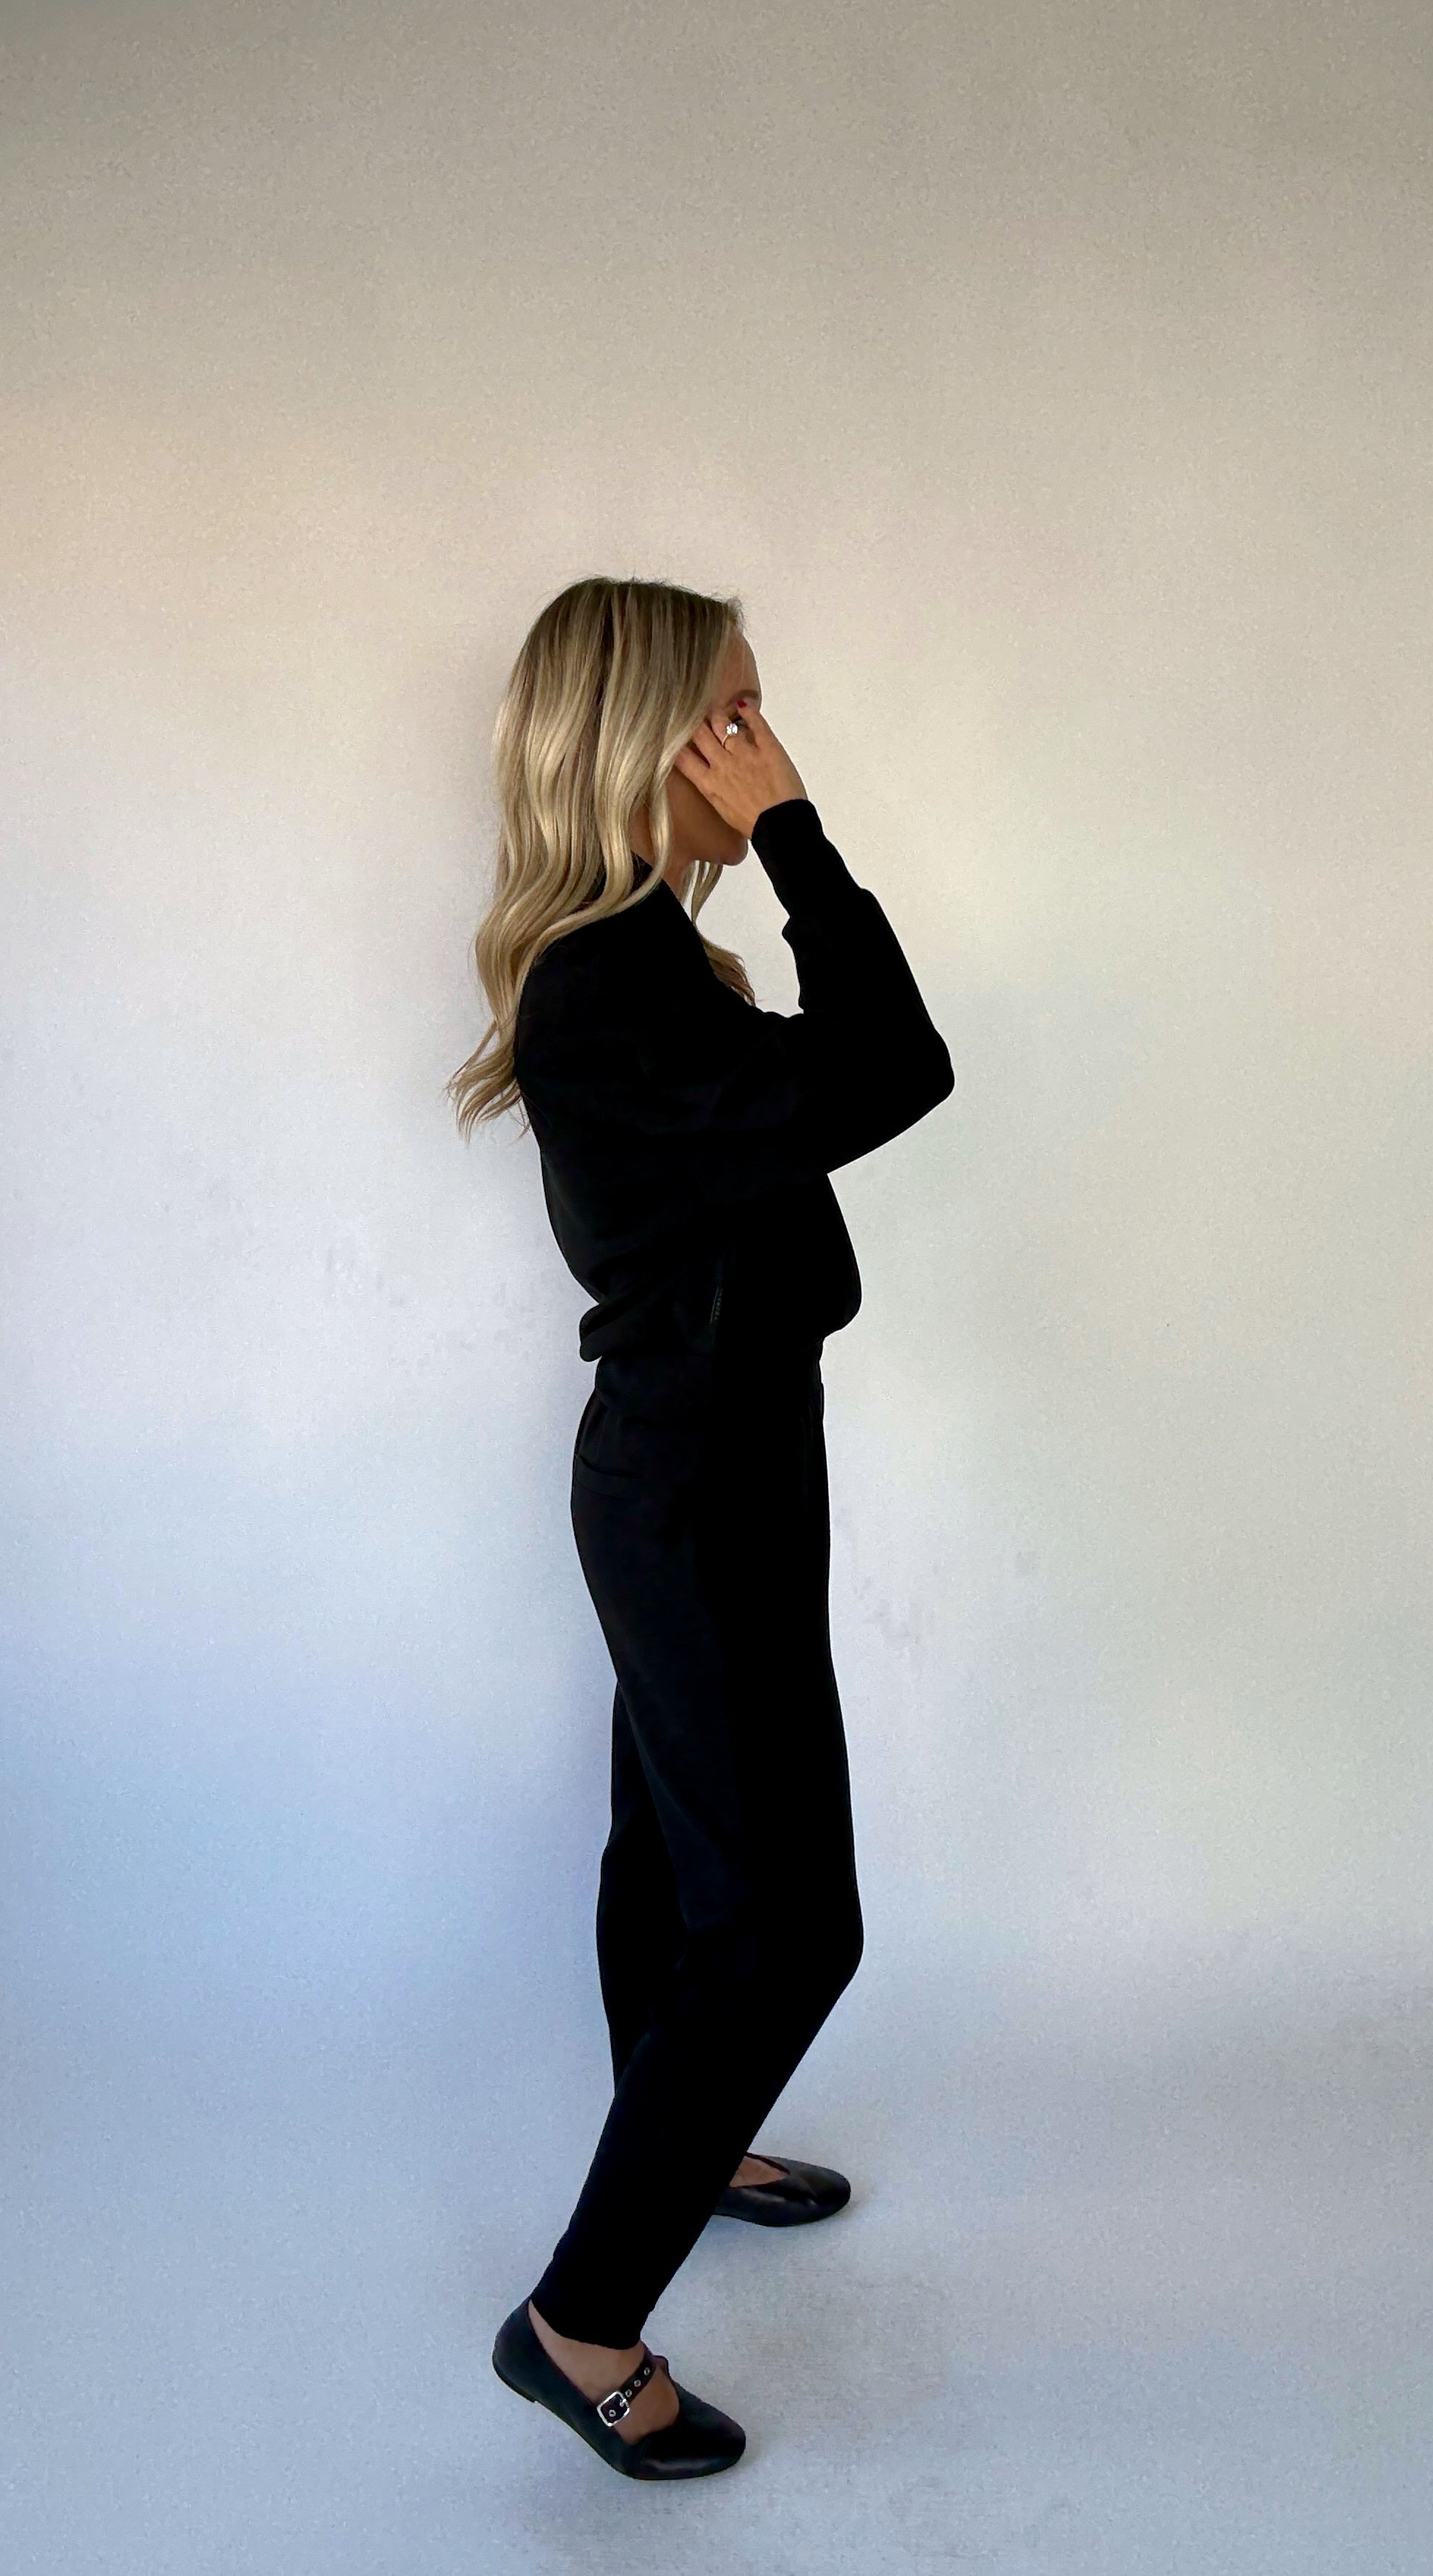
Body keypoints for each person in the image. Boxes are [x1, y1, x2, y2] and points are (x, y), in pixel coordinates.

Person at [447, 577, 955, 2479]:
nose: (762, 746)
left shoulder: (650, 961)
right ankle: (580, 2323)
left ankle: (686, 2134)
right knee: (787, 1926)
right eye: (732, 718)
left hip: (718, 1459)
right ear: (646, 745)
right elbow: (896, 1065)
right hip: (691, 1482)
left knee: (672, 1854)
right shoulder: (607, 979)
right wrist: (800, 833)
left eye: (765, 719)